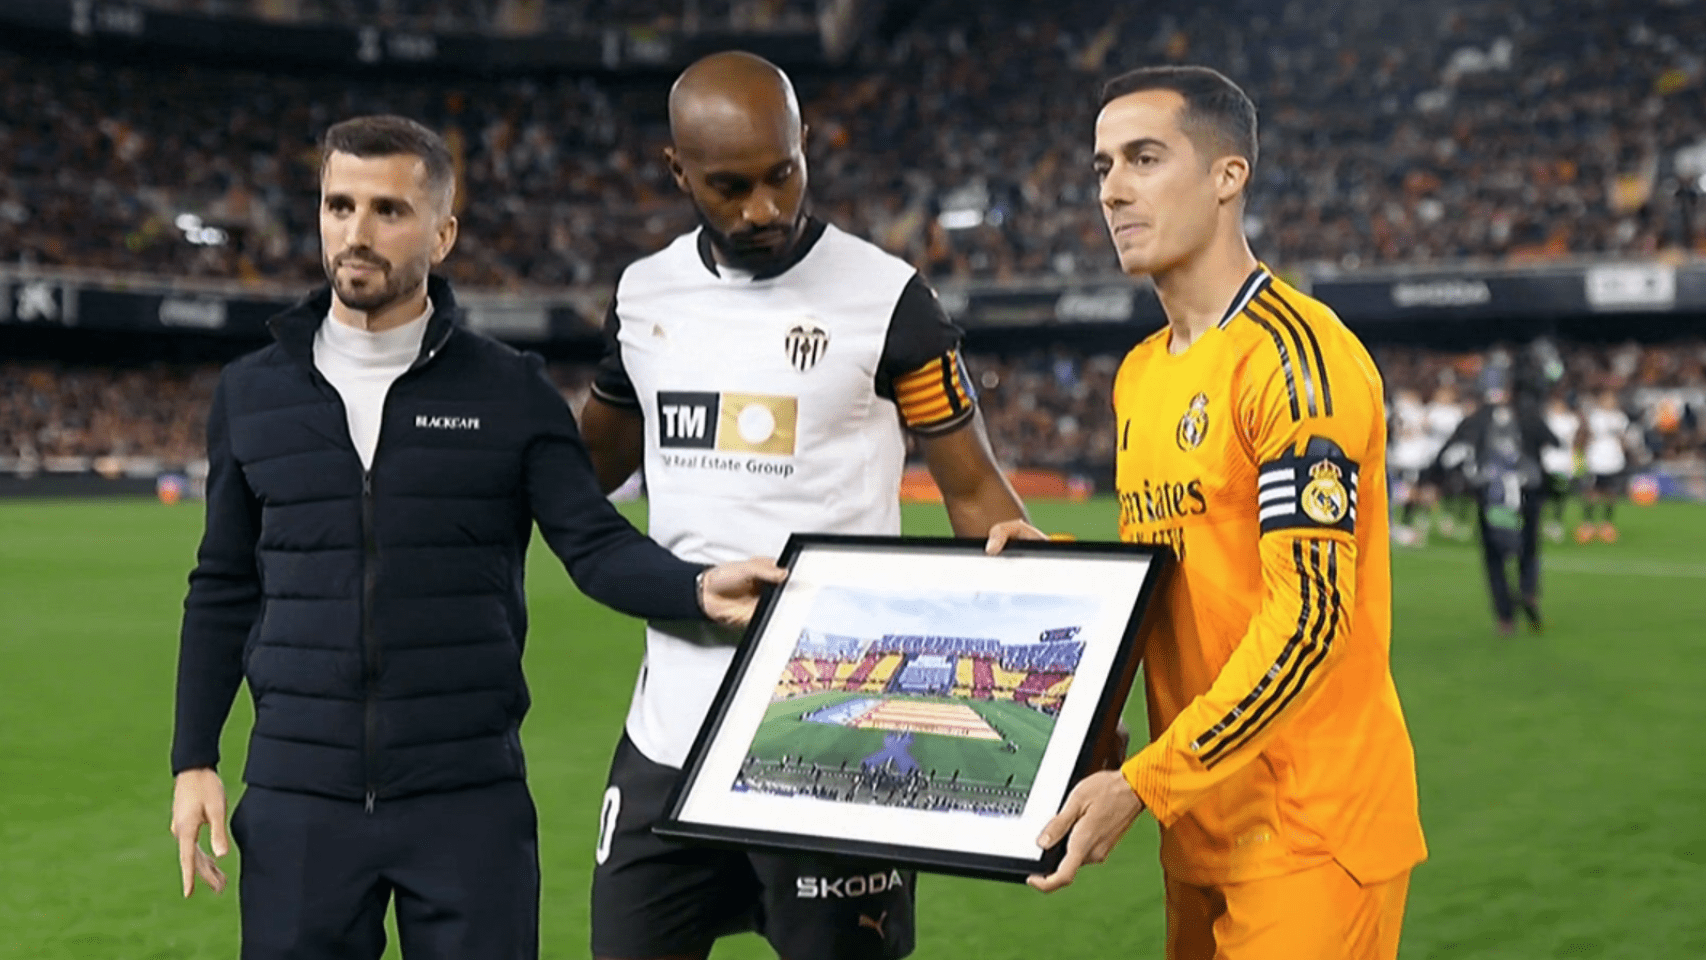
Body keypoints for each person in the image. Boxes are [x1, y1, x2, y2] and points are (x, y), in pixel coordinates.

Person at [167, 115, 783, 960]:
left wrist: (694, 589)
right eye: (338, 205)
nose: (356, 231)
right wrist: (194, 758)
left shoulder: (510, 392)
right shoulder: (251, 393)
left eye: (388, 210)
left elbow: (592, 543)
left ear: (443, 232)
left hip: (466, 801)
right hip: (296, 797)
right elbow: (224, 583)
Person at [577, 51, 1029, 960]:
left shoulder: (889, 300)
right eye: (729, 186)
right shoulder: (644, 298)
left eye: (783, 174)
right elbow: (586, 472)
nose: (764, 209)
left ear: (805, 146)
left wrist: (1069, 684)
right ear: (677, 173)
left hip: (833, 748)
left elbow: (979, 496)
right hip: (667, 736)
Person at [986, 65, 1426, 959]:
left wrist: (1145, 781)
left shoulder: (1295, 360)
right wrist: (1061, 574)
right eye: (1102, 166)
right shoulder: (1142, 373)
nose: (1112, 188)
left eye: (1144, 158)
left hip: (1310, 833)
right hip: (1198, 826)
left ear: (1230, 176)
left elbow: (1308, 623)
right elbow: (1177, 572)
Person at [1437, 357, 1557, 635]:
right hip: (1527, 491)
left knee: (1494, 557)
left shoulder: (1476, 419)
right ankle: (1528, 589)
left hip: (1489, 494)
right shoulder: (1528, 415)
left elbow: (1448, 454)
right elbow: (1554, 442)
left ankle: (1505, 616)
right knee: (1529, 547)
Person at [1579, 389, 1633, 542]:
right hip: (1595, 461)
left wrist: (1623, 450)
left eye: (1612, 399)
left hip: (1613, 461)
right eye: (1606, 398)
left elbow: (1624, 439)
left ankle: (1606, 525)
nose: (1609, 402)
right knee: (1591, 493)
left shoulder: (1620, 418)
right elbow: (1586, 436)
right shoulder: (1594, 417)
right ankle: (1588, 524)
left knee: (1611, 493)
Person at [1541, 390, 1582, 543]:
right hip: (1548, 462)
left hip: (1564, 462)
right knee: (1545, 494)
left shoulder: (1572, 420)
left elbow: (1576, 440)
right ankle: (1543, 522)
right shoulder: (1546, 419)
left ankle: (1556, 523)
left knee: (1561, 495)